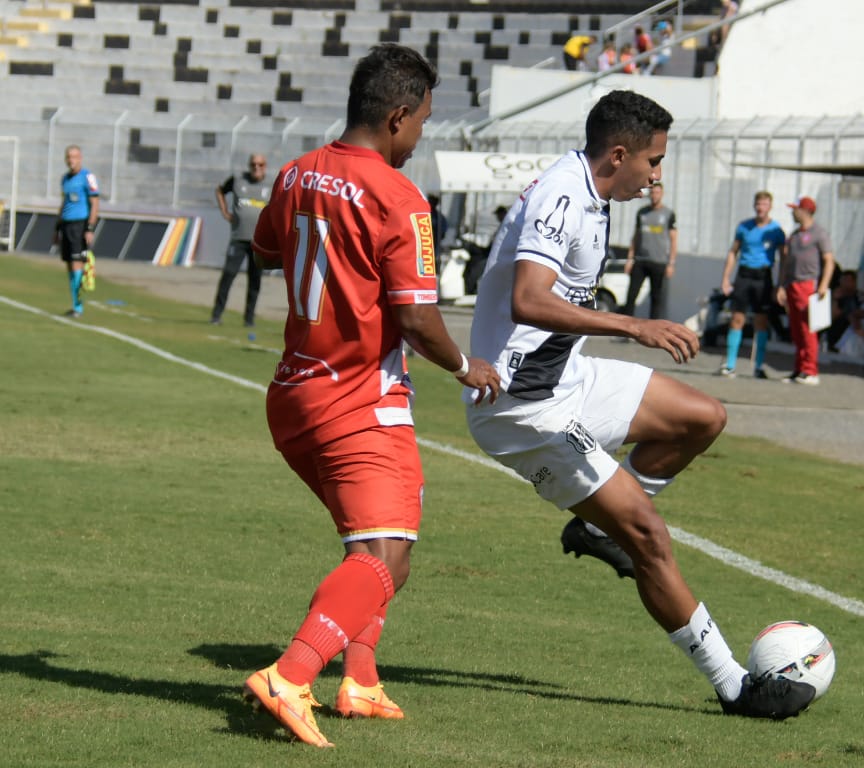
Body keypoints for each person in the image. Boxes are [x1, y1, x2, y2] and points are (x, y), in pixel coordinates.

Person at [463, 89, 816, 720]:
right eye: (652, 162)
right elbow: (528, 299)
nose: (657, 175)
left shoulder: (597, 197)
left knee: (702, 417)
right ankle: (736, 686)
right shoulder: (564, 195)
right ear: (619, 154)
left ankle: (601, 524)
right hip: (520, 406)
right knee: (649, 537)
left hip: (564, 377)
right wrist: (635, 326)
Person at [242, 43, 501, 749]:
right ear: (396, 116)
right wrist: (465, 368)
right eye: (421, 121)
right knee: (384, 556)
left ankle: (359, 679)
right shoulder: (399, 196)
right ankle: (291, 675)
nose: (420, 135)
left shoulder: (298, 172)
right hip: (358, 400)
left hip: (294, 393)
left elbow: (266, 245)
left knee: (380, 547)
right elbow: (417, 317)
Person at [717, 191, 788, 378]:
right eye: (758, 204)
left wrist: (780, 285)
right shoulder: (744, 227)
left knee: (761, 321)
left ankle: (758, 366)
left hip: (763, 277)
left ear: (770, 206)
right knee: (737, 319)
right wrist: (725, 278)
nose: (760, 207)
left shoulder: (776, 230)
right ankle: (730, 364)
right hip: (744, 275)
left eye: (764, 204)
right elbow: (733, 252)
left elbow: (784, 258)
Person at [776, 195, 835, 385]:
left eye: (796, 209)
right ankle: (799, 368)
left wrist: (823, 284)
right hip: (792, 284)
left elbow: (829, 260)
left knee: (807, 329)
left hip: (808, 284)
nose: (793, 212)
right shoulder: (794, 235)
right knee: (795, 329)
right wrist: (782, 286)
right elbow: (786, 263)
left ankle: (810, 370)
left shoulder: (819, 233)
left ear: (805, 211)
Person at [210, 153, 271, 327]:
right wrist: (224, 212)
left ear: (265, 166)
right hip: (238, 238)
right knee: (228, 275)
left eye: (260, 165)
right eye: (253, 165)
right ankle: (216, 315)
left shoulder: (271, 186)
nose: (256, 168)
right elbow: (220, 191)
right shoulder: (238, 180)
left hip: (259, 243)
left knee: (254, 280)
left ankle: (249, 319)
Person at [54, 144, 99, 317]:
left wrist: (89, 228)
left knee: (76, 264)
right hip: (66, 224)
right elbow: (64, 203)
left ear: (80, 158)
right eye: (68, 157)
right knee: (69, 265)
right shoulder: (65, 179)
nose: (71, 160)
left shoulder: (88, 177)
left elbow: (95, 203)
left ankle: (78, 307)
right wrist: (57, 228)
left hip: (80, 225)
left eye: (74, 157)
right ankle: (75, 304)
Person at [621, 180, 677, 320]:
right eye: (652, 192)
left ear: (662, 194)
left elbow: (674, 240)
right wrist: (630, 259)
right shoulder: (642, 213)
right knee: (631, 294)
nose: (654, 195)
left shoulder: (668, 214)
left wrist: (671, 263)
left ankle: (654, 329)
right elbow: (636, 237)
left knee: (656, 297)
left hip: (658, 262)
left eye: (657, 193)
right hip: (640, 260)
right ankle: (626, 328)